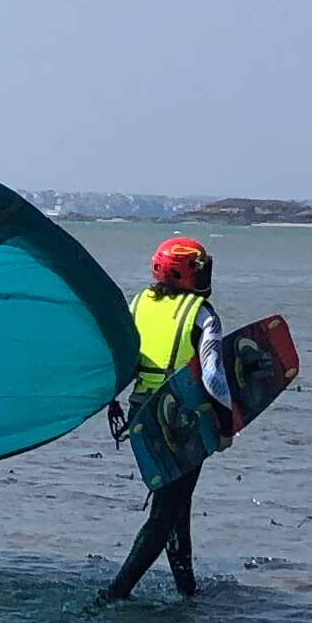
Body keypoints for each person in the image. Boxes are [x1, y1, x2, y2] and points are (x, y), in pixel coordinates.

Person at [101, 234, 232, 603]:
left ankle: (186, 588)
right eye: (200, 267)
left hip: (141, 412)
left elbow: (117, 352)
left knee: (177, 502)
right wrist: (225, 425)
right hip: (182, 418)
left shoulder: (139, 302)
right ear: (184, 272)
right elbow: (213, 378)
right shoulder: (202, 314)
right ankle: (115, 594)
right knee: (166, 511)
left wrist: (112, 399)